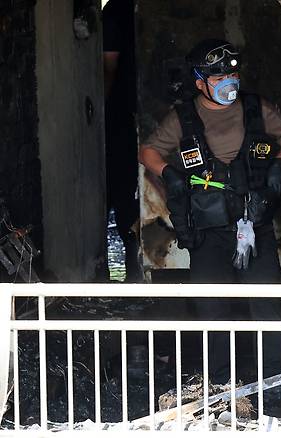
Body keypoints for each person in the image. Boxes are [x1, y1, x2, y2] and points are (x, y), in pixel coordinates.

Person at [138, 39, 281, 385]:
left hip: (254, 223)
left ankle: (275, 379)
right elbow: (149, 151)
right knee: (211, 304)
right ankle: (218, 381)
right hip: (208, 229)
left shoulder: (257, 109)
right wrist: (168, 172)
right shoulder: (183, 117)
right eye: (218, 77)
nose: (229, 81)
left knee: (267, 300)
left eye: (232, 73)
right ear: (200, 83)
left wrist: (278, 164)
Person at [103, 0, 140, 281]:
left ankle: (133, 272)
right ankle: (135, 270)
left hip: (119, 117)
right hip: (129, 115)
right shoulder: (120, 12)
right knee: (129, 196)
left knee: (121, 191)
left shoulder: (114, 13)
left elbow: (109, 67)